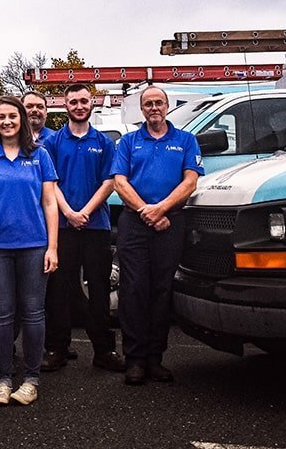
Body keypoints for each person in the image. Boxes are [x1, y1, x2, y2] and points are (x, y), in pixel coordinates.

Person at [110, 85, 203, 386]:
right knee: (134, 289)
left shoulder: (186, 140)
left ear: (167, 106)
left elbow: (190, 181)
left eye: (159, 103)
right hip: (134, 223)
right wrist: (146, 211)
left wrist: (161, 209)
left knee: (162, 291)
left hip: (170, 223)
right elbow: (119, 182)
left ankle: (155, 359)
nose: (154, 108)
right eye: (148, 103)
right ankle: (135, 359)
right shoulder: (128, 141)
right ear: (142, 109)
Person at [0, 96, 59, 407]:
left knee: (34, 313)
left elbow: (50, 202)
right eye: (1, 117)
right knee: (1, 315)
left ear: (21, 119)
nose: (6, 122)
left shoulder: (39, 155)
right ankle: (4, 379)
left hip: (34, 245)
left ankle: (31, 379)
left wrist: (53, 247)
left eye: (12, 116)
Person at [41, 83, 125, 374]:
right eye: (73, 101)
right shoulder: (53, 142)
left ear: (92, 103)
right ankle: (57, 348)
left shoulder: (103, 142)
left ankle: (104, 350)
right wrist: (68, 213)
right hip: (62, 227)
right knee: (59, 290)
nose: (79, 106)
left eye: (83, 101)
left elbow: (109, 182)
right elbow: (50, 183)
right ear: (65, 105)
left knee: (99, 288)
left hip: (95, 226)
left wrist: (85, 212)